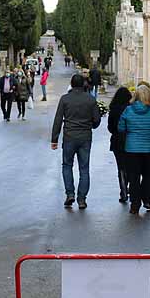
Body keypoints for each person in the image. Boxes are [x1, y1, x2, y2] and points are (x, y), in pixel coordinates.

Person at [50, 73, 103, 209]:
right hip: (85, 137)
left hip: (69, 137)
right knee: (84, 168)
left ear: (72, 84)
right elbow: (97, 120)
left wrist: (54, 139)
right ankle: (82, 199)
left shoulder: (65, 99)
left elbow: (58, 119)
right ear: (84, 84)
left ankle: (70, 194)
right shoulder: (90, 100)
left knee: (67, 165)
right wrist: (90, 126)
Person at [117, 83, 150, 214]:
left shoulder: (128, 110)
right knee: (148, 175)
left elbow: (121, 128)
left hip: (131, 149)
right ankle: (147, 200)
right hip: (149, 149)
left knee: (133, 177)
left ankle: (135, 204)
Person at [107, 86, 133, 204]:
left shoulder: (114, 109)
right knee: (131, 166)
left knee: (121, 167)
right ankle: (130, 188)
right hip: (130, 139)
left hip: (117, 140)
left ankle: (123, 191)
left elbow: (110, 127)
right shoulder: (131, 108)